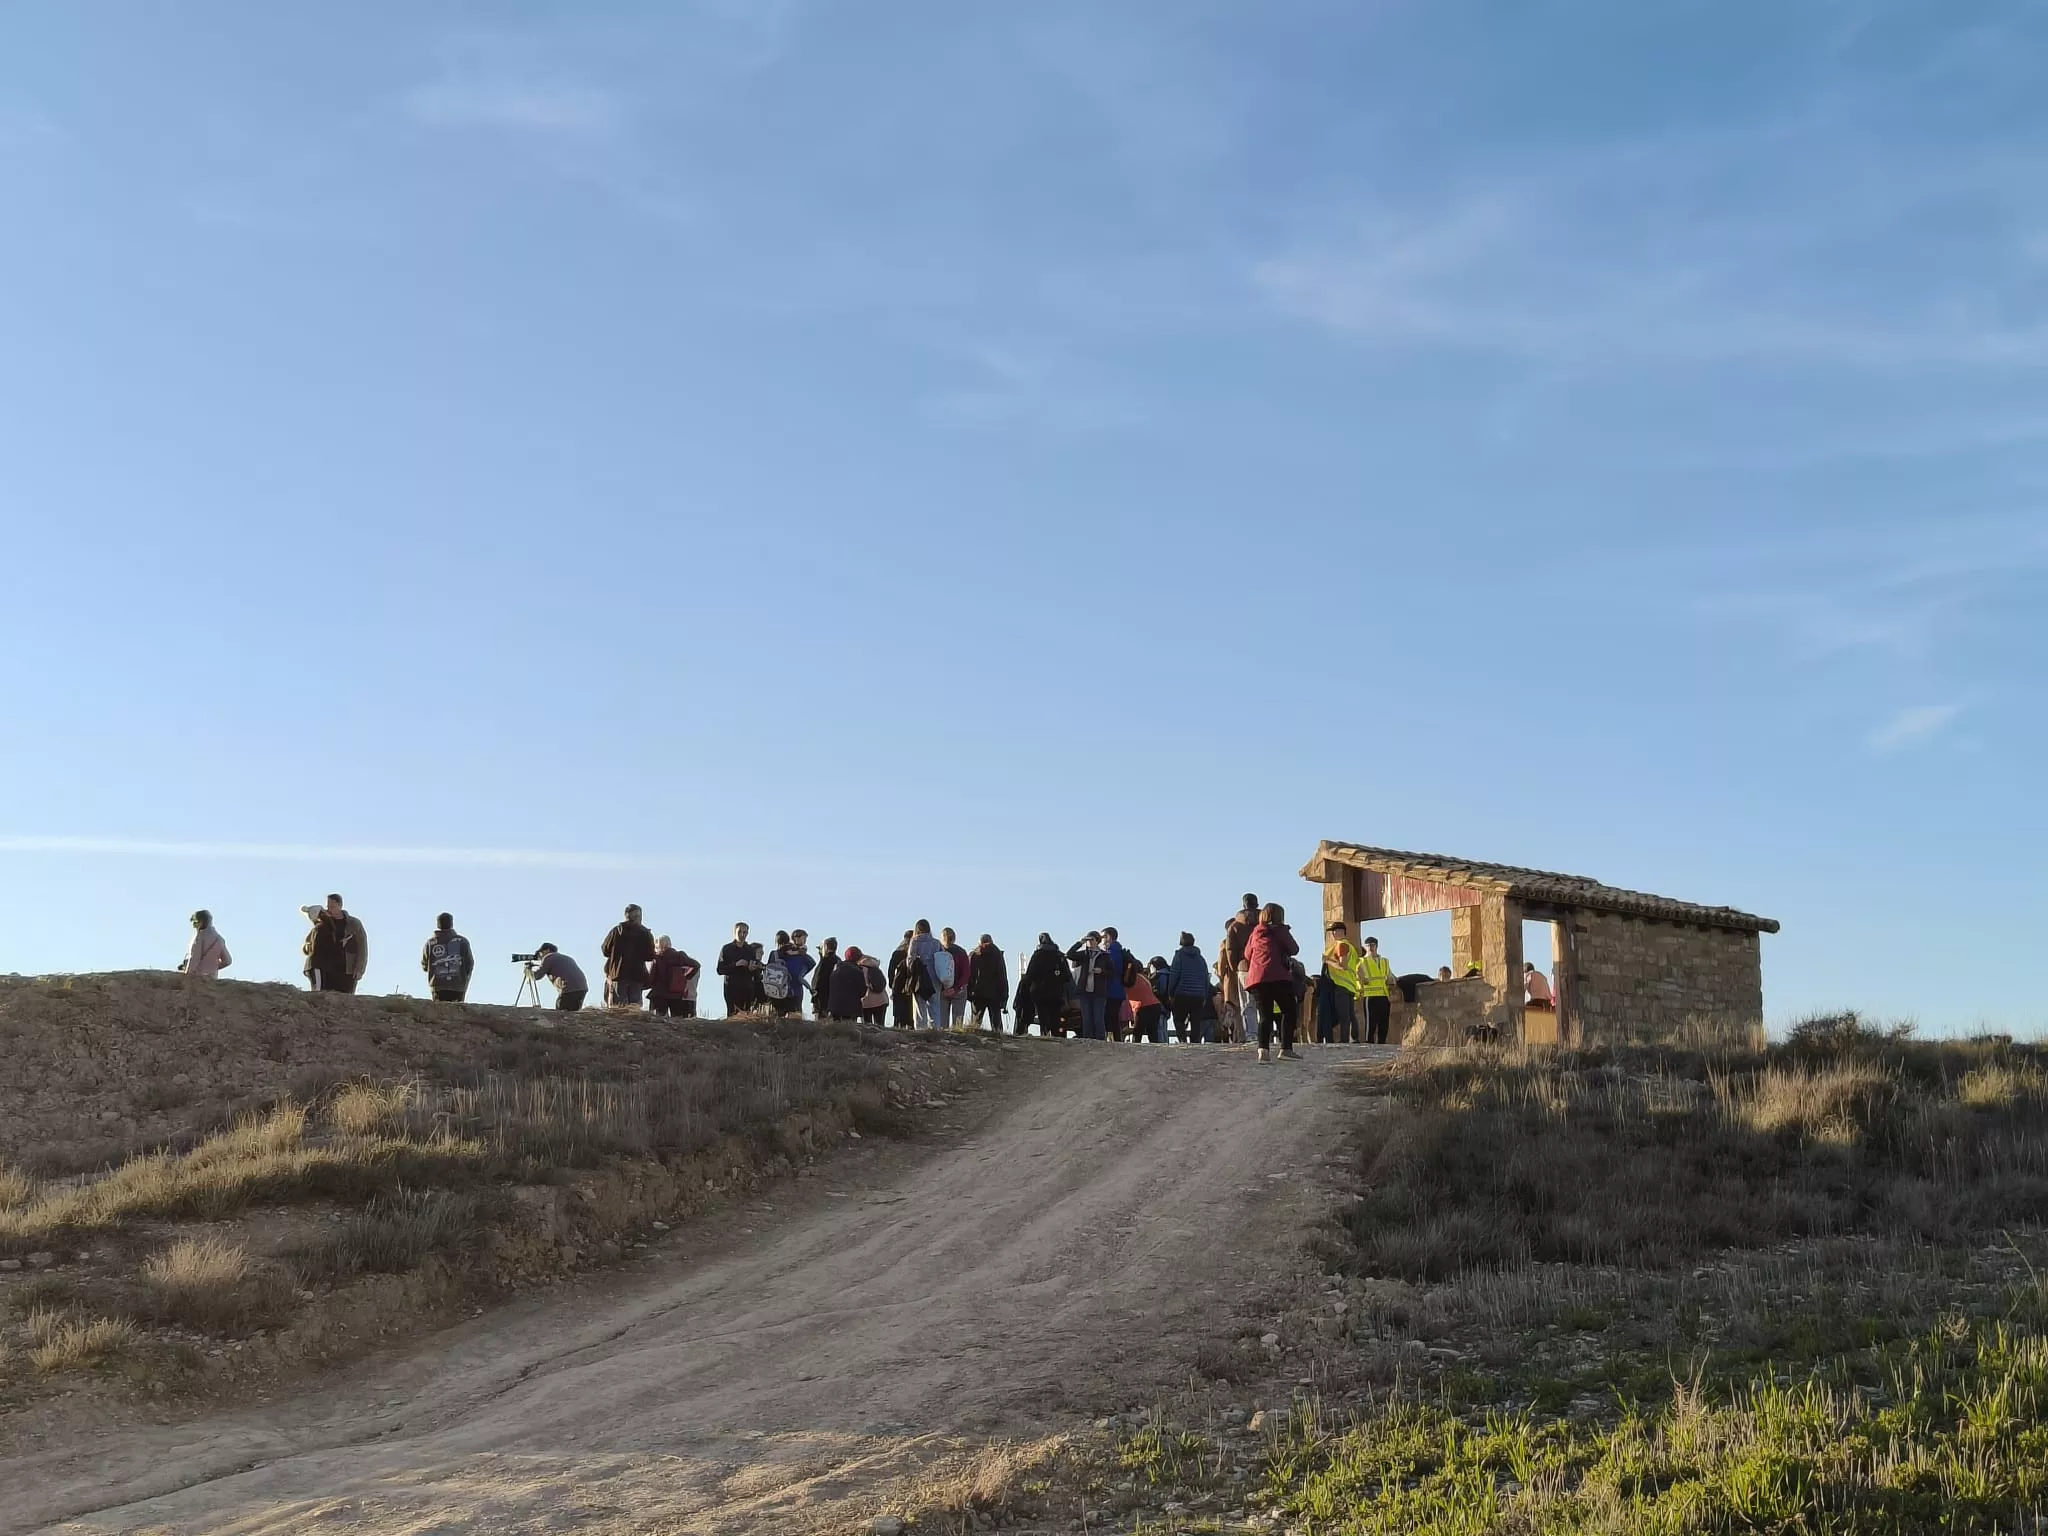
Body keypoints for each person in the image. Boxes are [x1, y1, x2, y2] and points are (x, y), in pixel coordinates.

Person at [1243, 902, 1300, 1062]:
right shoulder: (1280, 930)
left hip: (1257, 979)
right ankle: (1286, 1049)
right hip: (1278, 976)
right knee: (1289, 1011)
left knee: (1265, 1015)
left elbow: (1247, 954)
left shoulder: (1255, 932)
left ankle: (1263, 1051)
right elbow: (1294, 949)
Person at [301, 894, 368, 994]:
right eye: (328, 906)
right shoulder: (323, 923)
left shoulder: (353, 923)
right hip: (328, 968)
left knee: (346, 999)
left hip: (347, 968)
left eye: (332, 906)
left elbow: (362, 948)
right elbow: (309, 941)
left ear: (340, 905)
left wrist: (359, 969)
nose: (330, 909)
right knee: (326, 997)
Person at [601, 904, 656, 1009]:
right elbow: (649, 956)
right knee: (634, 1010)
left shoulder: (616, 931)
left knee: (618, 1009)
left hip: (618, 974)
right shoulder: (645, 933)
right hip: (637, 974)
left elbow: (605, 950)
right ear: (639, 917)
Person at [1066, 931, 1115, 1040]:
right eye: (1088, 940)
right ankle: (1088, 1040)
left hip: (1099, 991)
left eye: (1092, 940)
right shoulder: (1083, 954)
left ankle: (1100, 1040)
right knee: (1087, 1018)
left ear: (1097, 941)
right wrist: (1080, 943)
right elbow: (1069, 954)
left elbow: (1112, 972)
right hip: (1084, 991)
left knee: (1098, 1018)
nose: (1090, 942)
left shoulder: (1105, 956)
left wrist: (1101, 971)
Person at [1318, 921, 1361, 1045]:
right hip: (1350, 984)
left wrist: (1328, 961)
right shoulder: (1351, 947)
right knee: (1350, 1014)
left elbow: (1343, 966)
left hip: (1341, 984)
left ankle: (1344, 1040)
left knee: (1344, 1016)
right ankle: (1355, 1038)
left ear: (1341, 931)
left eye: (1334, 931)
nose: (1332, 934)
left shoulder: (1341, 945)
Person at [1163, 932, 1210, 1042]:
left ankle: (1183, 1040)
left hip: (1181, 994)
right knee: (1196, 1021)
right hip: (1198, 995)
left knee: (1178, 1019)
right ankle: (1195, 1042)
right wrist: (1205, 995)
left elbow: (1174, 975)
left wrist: (1170, 993)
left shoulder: (1179, 956)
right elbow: (1205, 978)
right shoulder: (1201, 959)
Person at [1023, 932, 1069, 1038]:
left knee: (1043, 1016)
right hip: (1056, 991)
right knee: (1055, 1015)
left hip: (1039, 991)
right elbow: (1067, 976)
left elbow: (1030, 974)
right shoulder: (1059, 955)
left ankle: (1045, 1034)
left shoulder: (1037, 955)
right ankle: (1056, 1035)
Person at [421, 913, 474, 1003]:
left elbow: (424, 965)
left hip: (438, 986)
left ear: (437, 924)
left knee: (440, 1014)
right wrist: (464, 976)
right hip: (458, 985)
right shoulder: (462, 941)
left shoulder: (430, 943)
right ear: (452, 923)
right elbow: (470, 963)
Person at [716, 922, 762, 1017]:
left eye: (745, 932)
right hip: (732, 988)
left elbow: (756, 973)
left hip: (747, 988)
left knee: (746, 1017)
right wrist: (736, 964)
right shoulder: (727, 949)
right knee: (733, 1016)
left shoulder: (750, 950)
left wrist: (752, 968)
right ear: (734, 932)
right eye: (739, 932)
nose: (742, 935)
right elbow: (720, 969)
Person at [648, 937, 700, 1017]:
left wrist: (646, 985)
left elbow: (651, 977)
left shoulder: (657, 958)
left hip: (659, 993)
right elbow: (696, 965)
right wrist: (686, 977)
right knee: (677, 1021)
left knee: (659, 1020)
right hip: (676, 993)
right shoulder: (680, 956)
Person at [967, 933, 1009, 1033]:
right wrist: (1004, 995)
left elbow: (969, 975)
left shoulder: (974, 955)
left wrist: (969, 992)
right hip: (995, 993)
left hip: (977, 993)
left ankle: (972, 1040)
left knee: (975, 1022)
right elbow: (1002, 976)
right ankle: (999, 1041)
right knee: (996, 1022)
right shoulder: (997, 954)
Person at [1358, 936, 1394, 1045]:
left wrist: (1392, 981)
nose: (1370, 948)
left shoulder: (1384, 961)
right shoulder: (1362, 961)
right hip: (1370, 995)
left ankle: (1382, 1044)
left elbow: (1390, 976)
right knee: (1371, 1024)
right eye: (1368, 945)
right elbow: (1358, 976)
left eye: (1372, 945)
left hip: (1383, 995)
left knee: (1384, 1024)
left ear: (1376, 946)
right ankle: (1369, 1045)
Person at [907, 920, 944, 1029]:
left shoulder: (914, 941)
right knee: (935, 1007)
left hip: (920, 979)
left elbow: (910, 961)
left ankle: (921, 1031)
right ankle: (935, 1031)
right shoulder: (937, 943)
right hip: (934, 978)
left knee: (920, 1007)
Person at [530, 943, 588, 1012]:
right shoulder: (565, 957)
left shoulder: (548, 957)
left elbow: (537, 976)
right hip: (582, 988)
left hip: (569, 989)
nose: (540, 956)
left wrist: (529, 971)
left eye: (541, 953)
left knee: (561, 1013)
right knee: (572, 1014)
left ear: (547, 950)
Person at [181, 910, 232, 981]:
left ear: (201, 922)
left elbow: (195, 959)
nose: (194, 927)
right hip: (212, 980)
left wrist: (186, 976)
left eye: (195, 924)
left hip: (197, 979)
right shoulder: (219, 939)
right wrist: (212, 967)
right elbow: (227, 961)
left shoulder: (199, 937)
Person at [825, 943, 867, 1020]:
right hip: (851, 1008)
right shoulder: (857, 971)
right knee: (850, 1029)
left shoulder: (836, 968)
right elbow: (863, 991)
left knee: (835, 1029)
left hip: (834, 1006)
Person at [1126, 961, 1163, 1044]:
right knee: (1153, 1033)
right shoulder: (1144, 977)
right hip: (1155, 1005)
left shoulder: (1129, 978)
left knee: (1137, 1033)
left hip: (1142, 1006)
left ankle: (1135, 1052)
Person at [888, 930, 917, 1028]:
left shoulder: (897, 953)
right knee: (911, 1013)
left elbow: (891, 971)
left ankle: (899, 1029)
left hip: (898, 986)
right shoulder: (915, 953)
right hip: (912, 986)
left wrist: (892, 985)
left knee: (899, 1014)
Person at [856, 948, 891, 1025]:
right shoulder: (874, 966)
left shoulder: (860, 969)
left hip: (866, 1002)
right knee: (880, 1027)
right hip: (882, 1000)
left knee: (868, 1028)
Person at [811, 938, 841, 1019]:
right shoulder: (838, 961)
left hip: (822, 997)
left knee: (821, 1021)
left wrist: (814, 995)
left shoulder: (825, 961)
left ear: (826, 947)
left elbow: (818, 979)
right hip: (834, 996)